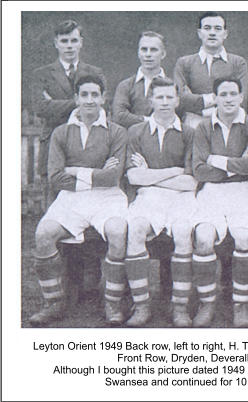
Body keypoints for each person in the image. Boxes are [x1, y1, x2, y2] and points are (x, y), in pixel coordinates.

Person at [29, 75, 128, 326]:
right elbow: (55, 178)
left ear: (103, 98)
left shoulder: (117, 132)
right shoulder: (61, 133)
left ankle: (112, 302)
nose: (89, 100)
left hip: (108, 198)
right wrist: (95, 174)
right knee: (43, 234)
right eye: (84, 95)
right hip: (71, 198)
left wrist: (74, 170)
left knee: (117, 231)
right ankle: (54, 302)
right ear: (75, 99)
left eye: (95, 95)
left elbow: (112, 177)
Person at [123, 77, 197, 327]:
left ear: (177, 100)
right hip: (148, 197)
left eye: (169, 97)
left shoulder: (190, 133)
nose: (164, 102)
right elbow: (133, 177)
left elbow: (191, 182)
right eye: (159, 97)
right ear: (150, 100)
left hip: (182, 197)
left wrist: (151, 176)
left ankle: (180, 307)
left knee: (184, 231)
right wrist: (173, 171)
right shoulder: (136, 132)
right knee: (135, 229)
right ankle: (141, 305)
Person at [192, 77, 248, 328]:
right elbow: (199, 171)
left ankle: (242, 303)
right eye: (223, 94)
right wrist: (237, 164)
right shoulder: (203, 126)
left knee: (244, 238)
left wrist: (216, 160)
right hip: (211, 191)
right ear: (216, 98)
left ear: (241, 97)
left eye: (234, 93)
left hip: (244, 190)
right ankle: (207, 302)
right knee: (203, 238)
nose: (229, 98)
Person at [31, 20, 107, 202]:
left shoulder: (95, 73)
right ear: (56, 43)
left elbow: (101, 105)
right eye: (64, 41)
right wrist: (81, 103)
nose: (69, 46)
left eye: (74, 41)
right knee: (54, 198)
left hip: (87, 141)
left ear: (81, 42)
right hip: (52, 141)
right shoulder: (41, 74)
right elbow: (40, 107)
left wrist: (55, 103)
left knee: (87, 195)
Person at [174, 12, 248, 129]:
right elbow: (179, 99)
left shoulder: (238, 63)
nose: (212, 33)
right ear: (199, 33)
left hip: (228, 125)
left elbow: (241, 99)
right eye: (207, 28)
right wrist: (216, 99)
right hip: (193, 126)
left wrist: (201, 109)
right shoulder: (184, 63)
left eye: (218, 28)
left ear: (225, 34)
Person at [112, 31, 168, 129]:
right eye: (144, 49)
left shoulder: (172, 87)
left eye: (153, 50)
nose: (148, 54)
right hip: (132, 141)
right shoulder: (126, 85)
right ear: (138, 53)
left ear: (163, 54)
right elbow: (119, 116)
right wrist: (149, 121)